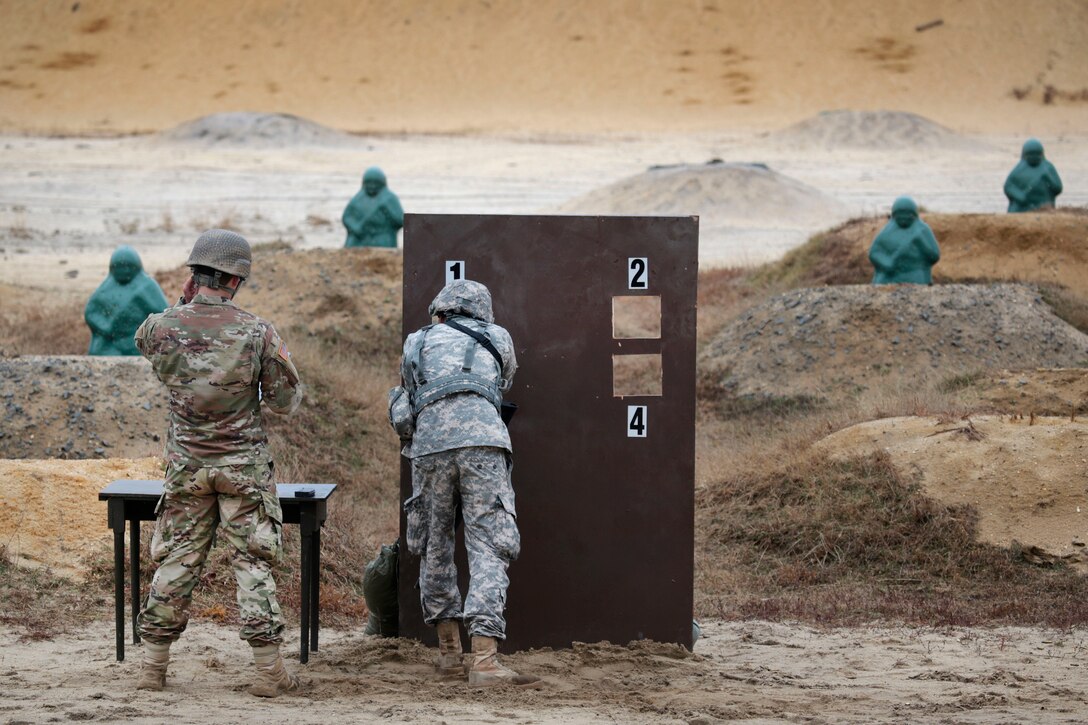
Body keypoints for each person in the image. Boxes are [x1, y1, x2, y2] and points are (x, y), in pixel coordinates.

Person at [133, 229, 304, 698]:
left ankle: (153, 667)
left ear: (194, 275)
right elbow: (286, 401)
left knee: (177, 561)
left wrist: (181, 305)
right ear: (236, 279)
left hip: (186, 467)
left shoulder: (160, 326)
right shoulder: (257, 331)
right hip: (243, 468)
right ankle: (269, 672)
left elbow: (148, 340)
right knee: (253, 563)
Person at [395, 279, 537, 686]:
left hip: (430, 445)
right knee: (489, 544)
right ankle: (486, 660)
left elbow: (409, 390)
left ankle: (448, 656)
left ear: (439, 310)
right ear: (482, 312)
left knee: (435, 545)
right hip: (484, 442)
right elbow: (504, 379)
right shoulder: (498, 337)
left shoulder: (417, 341)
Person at [84, 245, 169, 355]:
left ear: (136, 267)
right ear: (112, 268)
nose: (124, 270)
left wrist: (143, 301)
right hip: (111, 341)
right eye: (119, 267)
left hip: (137, 340)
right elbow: (91, 312)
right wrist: (104, 327)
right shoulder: (107, 288)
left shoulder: (147, 286)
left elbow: (164, 314)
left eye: (128, 266)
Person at [868, 196, 940, 285]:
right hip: (890, 276)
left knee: (918, 289)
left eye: (908, 214)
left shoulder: (922, 230)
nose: (904, 218)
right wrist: (886, 264)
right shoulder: (888, 231)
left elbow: (934, 256)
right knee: (880, 285)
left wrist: (921, 242)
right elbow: (874, 252)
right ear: (894, 215)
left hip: (915, 273)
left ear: (914, 215)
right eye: (900, 214)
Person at [342, 166, 404, 247]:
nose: (372, 186)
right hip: (361, 237)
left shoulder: (390, 199)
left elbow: (400, 220)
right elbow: (347, 217)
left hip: (382, 236)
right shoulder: (358, 199)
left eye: (376, 183)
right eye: (369, 183)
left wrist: (387, 211)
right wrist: (354, 227)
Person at [1004, 138, 1063, 213]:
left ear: (1041, 154)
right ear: (1025, 155)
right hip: (1022, 207)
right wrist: (1019, 196)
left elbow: (1058, 188)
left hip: (1044, 206)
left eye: (1037, 154)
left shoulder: (1048, 168)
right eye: (1030, 154)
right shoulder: (1019, 170)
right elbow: (1008, 186)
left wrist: (1048, 178)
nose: (1034, 157)